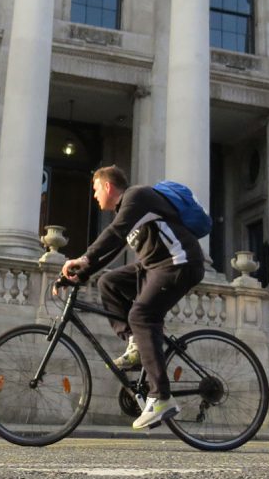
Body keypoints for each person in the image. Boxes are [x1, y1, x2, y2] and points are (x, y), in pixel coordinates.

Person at [61, 165, 206, 430]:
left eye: (95, 189)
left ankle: (160, 397)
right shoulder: (128, 211)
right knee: (109, 281)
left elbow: (114, 233)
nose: (94, 196)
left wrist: (84, 257)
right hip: (155, 266)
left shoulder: (137, 196)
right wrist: (77, 275)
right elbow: (114, 247)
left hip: (180, 262)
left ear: (107, 186)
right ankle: (135, 344)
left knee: (142, 315)